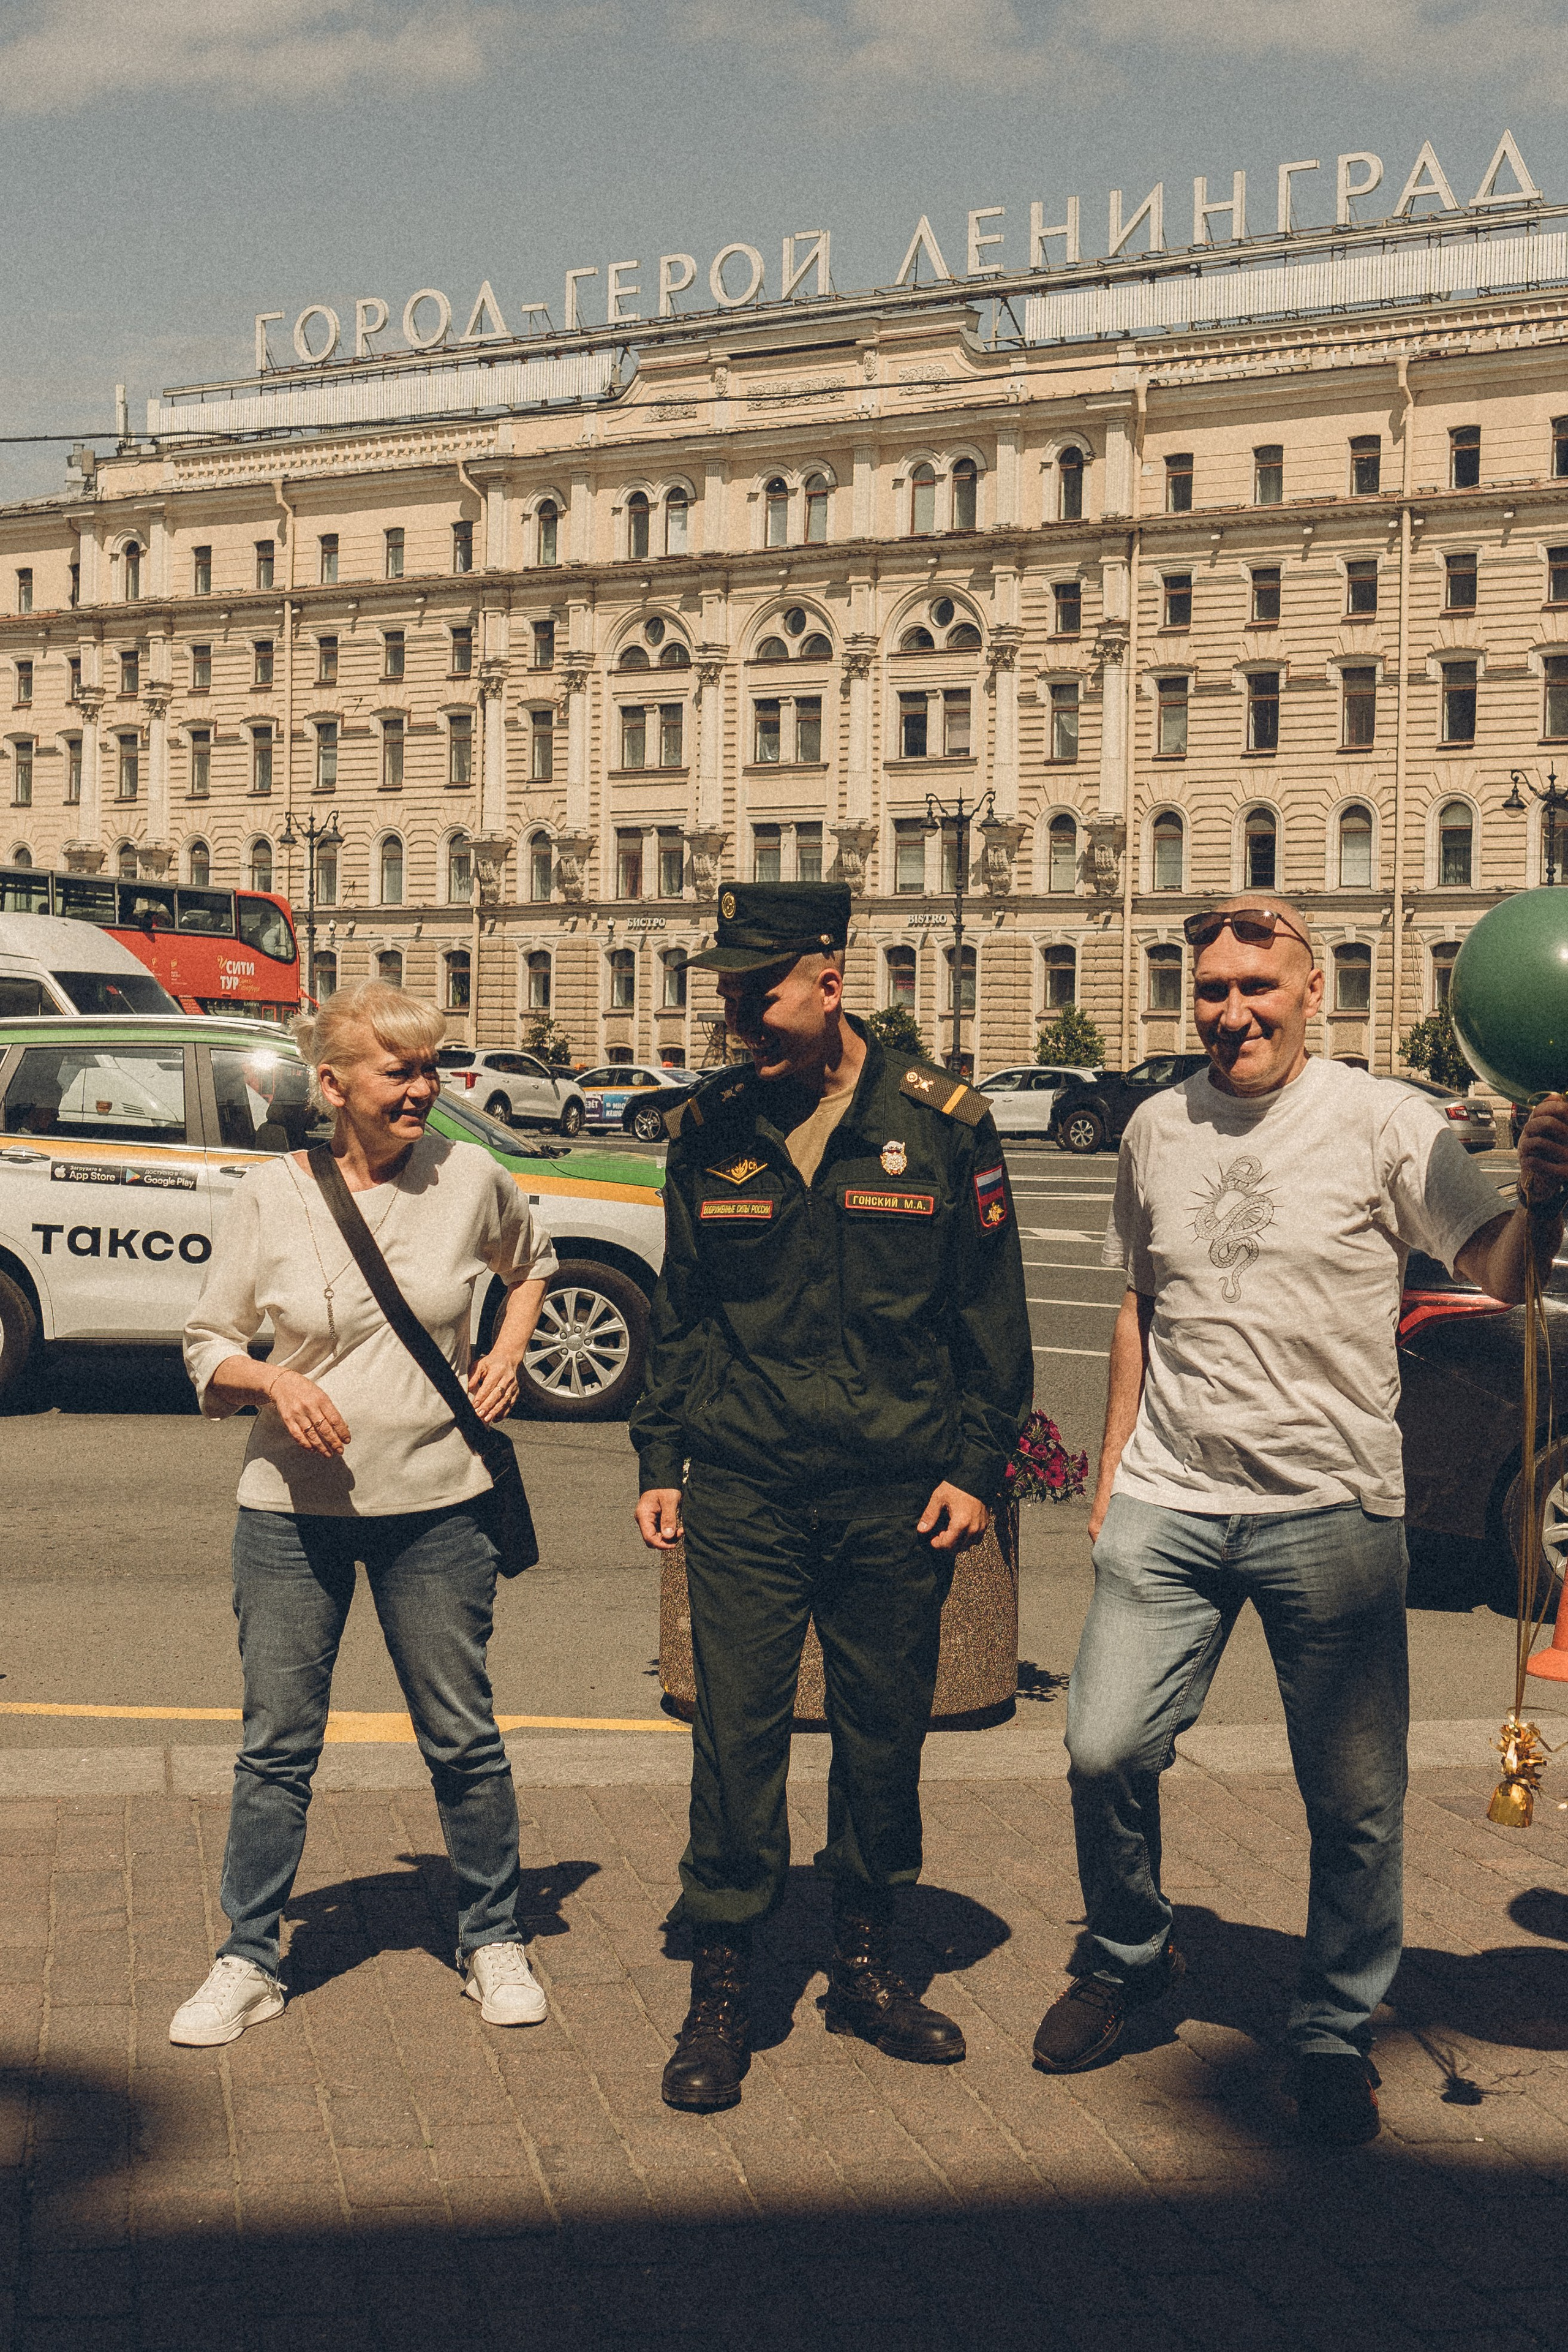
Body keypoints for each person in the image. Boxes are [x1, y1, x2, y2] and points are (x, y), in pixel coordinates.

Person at [1031, 896, 1568, 2143]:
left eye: (1257, 987)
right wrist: (1112, 1475)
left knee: (1353, 1799)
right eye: (1212, 990)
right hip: (1169, 1500)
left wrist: (1542, 1197)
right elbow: (1138, 1304)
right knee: (1103, 1747)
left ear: (1311, 992)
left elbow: (1495, 1271)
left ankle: (1332, 2025)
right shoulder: (1155, 1125)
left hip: (1329, 1506)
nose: (1233, 1012)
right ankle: (1128, 1953)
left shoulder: (1385, 1122)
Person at [631, 881, 1033, 2113]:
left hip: (892, 1491)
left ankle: (865, 1964)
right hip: (746, 1484)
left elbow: (990, 1315)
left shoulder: (941, 1122)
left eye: (762, 991)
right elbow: (685, 1311)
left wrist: (975, 1468)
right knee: (734, 1736)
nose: (741, 1014)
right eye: (729, 993)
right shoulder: (709, 1127)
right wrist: (659, 1461)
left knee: (880, 1733)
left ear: (830, 981)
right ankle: (723, 1983)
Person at [173, 982, 557, 2047]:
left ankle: (493, 1937)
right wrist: (273, 1381)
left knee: (462, 1738)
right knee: (277, 1747)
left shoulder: (469, 1177)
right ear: (333, 1086)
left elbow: (532, 1266)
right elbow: (208, 1343)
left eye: (431, 1067)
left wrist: (507, 1356)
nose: (423, 1089)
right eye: (400, 1071)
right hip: (289, 1513)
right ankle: (249, 1958)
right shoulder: (271, 1195)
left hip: (439, 1507)